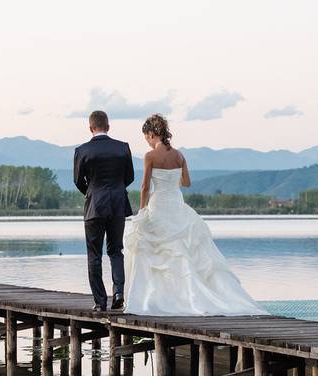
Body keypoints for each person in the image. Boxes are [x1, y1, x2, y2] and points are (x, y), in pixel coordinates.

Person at [124, 114, 267, 316]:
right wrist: (173, 183)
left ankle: (161, 299)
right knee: (184, 251)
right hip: (176, 203)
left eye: (146, 137)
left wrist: (142, 210)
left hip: (158, 205)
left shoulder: (150, 157)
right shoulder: (179, 156)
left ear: (151, 133)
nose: (146, 141)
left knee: (157, 251)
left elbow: (145, 186)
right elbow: (187, 182)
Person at [73, 110, 135, 311]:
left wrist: (91, 192)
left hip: (94, 207)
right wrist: (116, 189)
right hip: (117, 205)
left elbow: (77, 180)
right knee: (116, 251)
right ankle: (118, 294)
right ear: (108, 127)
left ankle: (100, 302)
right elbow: (130, 177)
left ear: (91, 128)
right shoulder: (123, 148)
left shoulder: (82, 150)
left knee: (94, 255)